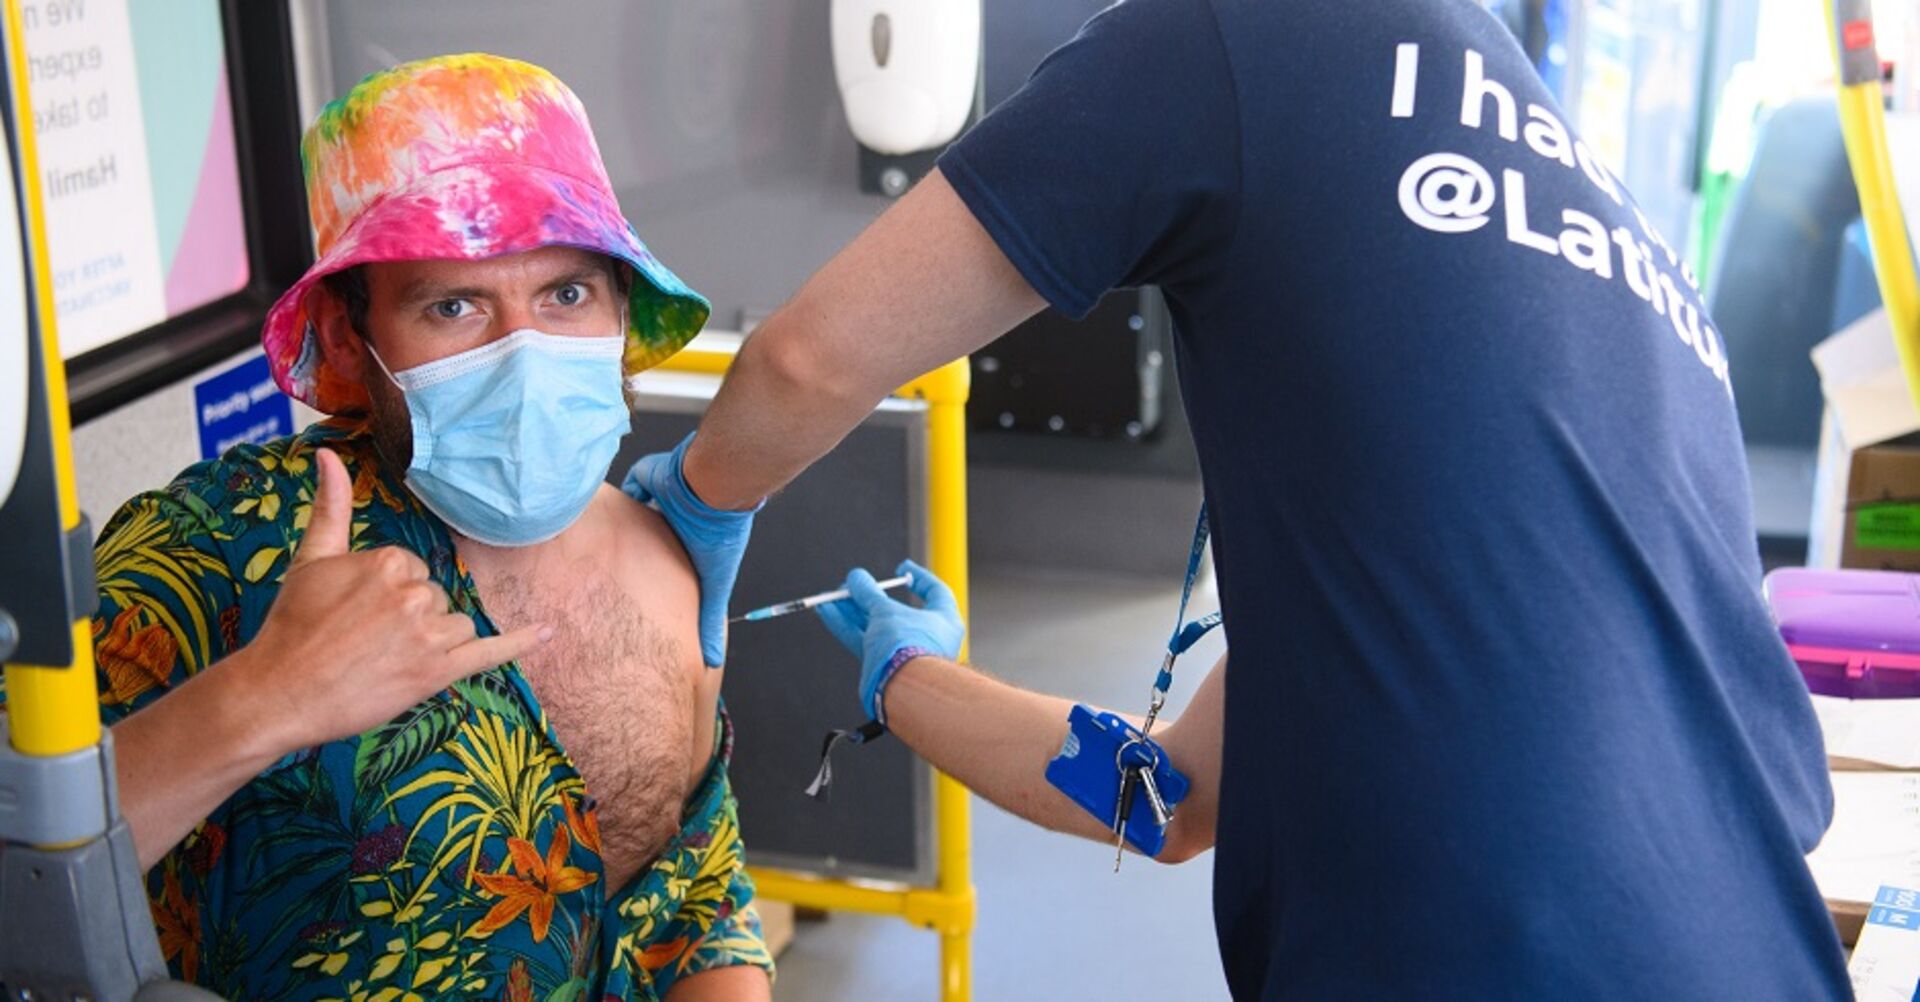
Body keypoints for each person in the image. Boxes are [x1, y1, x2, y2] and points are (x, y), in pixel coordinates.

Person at [626, 1, 1851, 997]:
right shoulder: (1561, 202)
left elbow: (808, 359)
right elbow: (1169, 798)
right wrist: (908, 679)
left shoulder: (1239, 34)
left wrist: (691, 511)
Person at [0, 55, 770, 1001]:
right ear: (344, 338)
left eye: (566, 294)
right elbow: (16, 887)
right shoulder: (218, 549)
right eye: (452, 305)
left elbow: (694, 902)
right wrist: (259, 700)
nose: (523, 355)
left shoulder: (665, 557)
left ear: (621, 306)